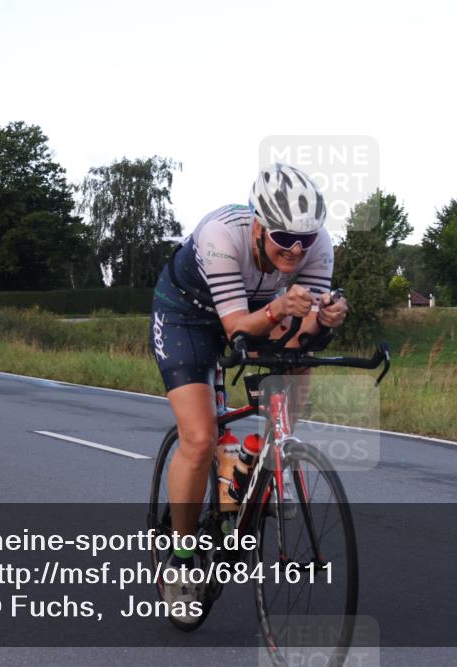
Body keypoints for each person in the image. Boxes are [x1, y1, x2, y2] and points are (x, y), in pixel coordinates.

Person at [151, 164, 347, 617]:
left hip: (259, 310)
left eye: (306, 239)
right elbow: (235, 327)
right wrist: (280, 306)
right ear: (258, 224)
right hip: (188, 316)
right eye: (283, 238)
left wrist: (326, 318)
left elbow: (300, 332)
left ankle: (257, 457)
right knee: (199, 439)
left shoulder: (317, 247)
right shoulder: (222, 233)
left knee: (299, 362)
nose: (296, 250)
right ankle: (180, 564)